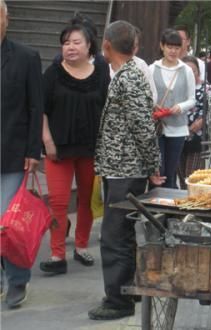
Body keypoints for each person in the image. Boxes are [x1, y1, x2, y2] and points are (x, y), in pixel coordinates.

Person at [89, 20, 163, 320]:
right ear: (134, 46)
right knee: (121, 233)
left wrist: (153, 167)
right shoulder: (127, 74)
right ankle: (125, 291)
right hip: (121, 167)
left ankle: (117, 300)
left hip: (125, 168)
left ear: (106, 45)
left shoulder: (129, 77)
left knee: (114, 235)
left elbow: (143, 128)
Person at [39, 23, 110, 275]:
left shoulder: (101, 73)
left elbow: (107, 112)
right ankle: (57, 254)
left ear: (89, 45)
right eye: (66, 42)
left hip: (91, 148)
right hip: (58, 148)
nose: (70, 47)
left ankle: (81, 246)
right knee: (57, 201)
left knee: (86, 200)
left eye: (76, 42)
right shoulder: (52, 74)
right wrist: (47, 141)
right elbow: (41, 110)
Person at [0, 0, 43, 308]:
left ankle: (17, 280)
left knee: (8, 222)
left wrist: (33, 149)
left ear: (6, 19)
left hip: (13, 152)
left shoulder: (26, 57)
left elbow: (35, 106)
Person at [149, 28, 195, 189]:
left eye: (176, 48)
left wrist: (180, 107)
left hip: (178, 128)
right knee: (157, 171)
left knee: (170, 171)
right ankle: (154, 210)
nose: (173, 51)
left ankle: (169, 212)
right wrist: (154, 105)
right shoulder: (152, 69)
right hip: (157, 127)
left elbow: (192, 99)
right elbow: (147, 96)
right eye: (169, 47)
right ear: (162, 46)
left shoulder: (186, 70)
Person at [177, 55, 211, 189]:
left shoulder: (208, 89)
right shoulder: (176, 88)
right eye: (186, 71)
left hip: (197, 139)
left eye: (193, 71)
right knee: (181, 177)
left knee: (193, 178)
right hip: (177, 137)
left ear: (198, 72)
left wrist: (200, 122)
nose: (190, 75)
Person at [110, 26, 157, 103]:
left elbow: (152, 94)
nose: (133, 48)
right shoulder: (109, 61)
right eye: (130, 45)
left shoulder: (141, 65)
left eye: (136, 45)